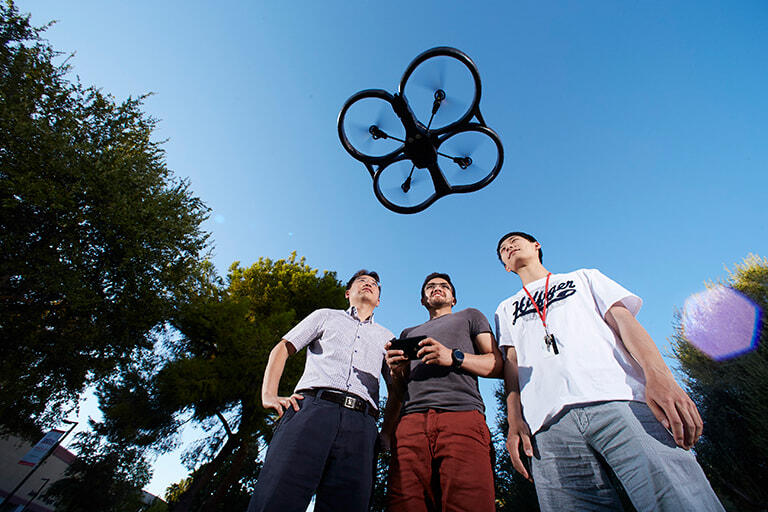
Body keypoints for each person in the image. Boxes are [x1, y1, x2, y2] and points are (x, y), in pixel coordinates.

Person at [494, 231, 724, 511]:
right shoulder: (505, 309)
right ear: (506, 266)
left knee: (677, 499)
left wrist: (660, 376)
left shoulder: (584, 277)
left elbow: (625, 322)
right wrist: (515, 421)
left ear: (536, 246)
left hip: (619, 399)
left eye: (515, 241)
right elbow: (512, 365)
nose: (509, 247)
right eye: (503, 249)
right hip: (546, 425)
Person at [247, 270, 395, 512]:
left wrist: (386, 432)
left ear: (379, 300)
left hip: (362, 425)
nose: (368, 284)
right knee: (275, 497)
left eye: (374, 284)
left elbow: (396, 388)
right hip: (312, 411)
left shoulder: (388, 338)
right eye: (362, 281)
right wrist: (269, 394)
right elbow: (283, 347)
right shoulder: (325, 316)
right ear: (348, 293)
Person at [384, 272, 503, 512]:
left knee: (469, 503)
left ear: (453, 298)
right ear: (422, 300)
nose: (437, 288)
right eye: (430, 286)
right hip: (410, 425)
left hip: (461, 416)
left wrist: (453, 357)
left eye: (444, 286)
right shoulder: (408, 333)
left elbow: (497, 365)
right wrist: (397, 372)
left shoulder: (470, 316)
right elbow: (398, 391)